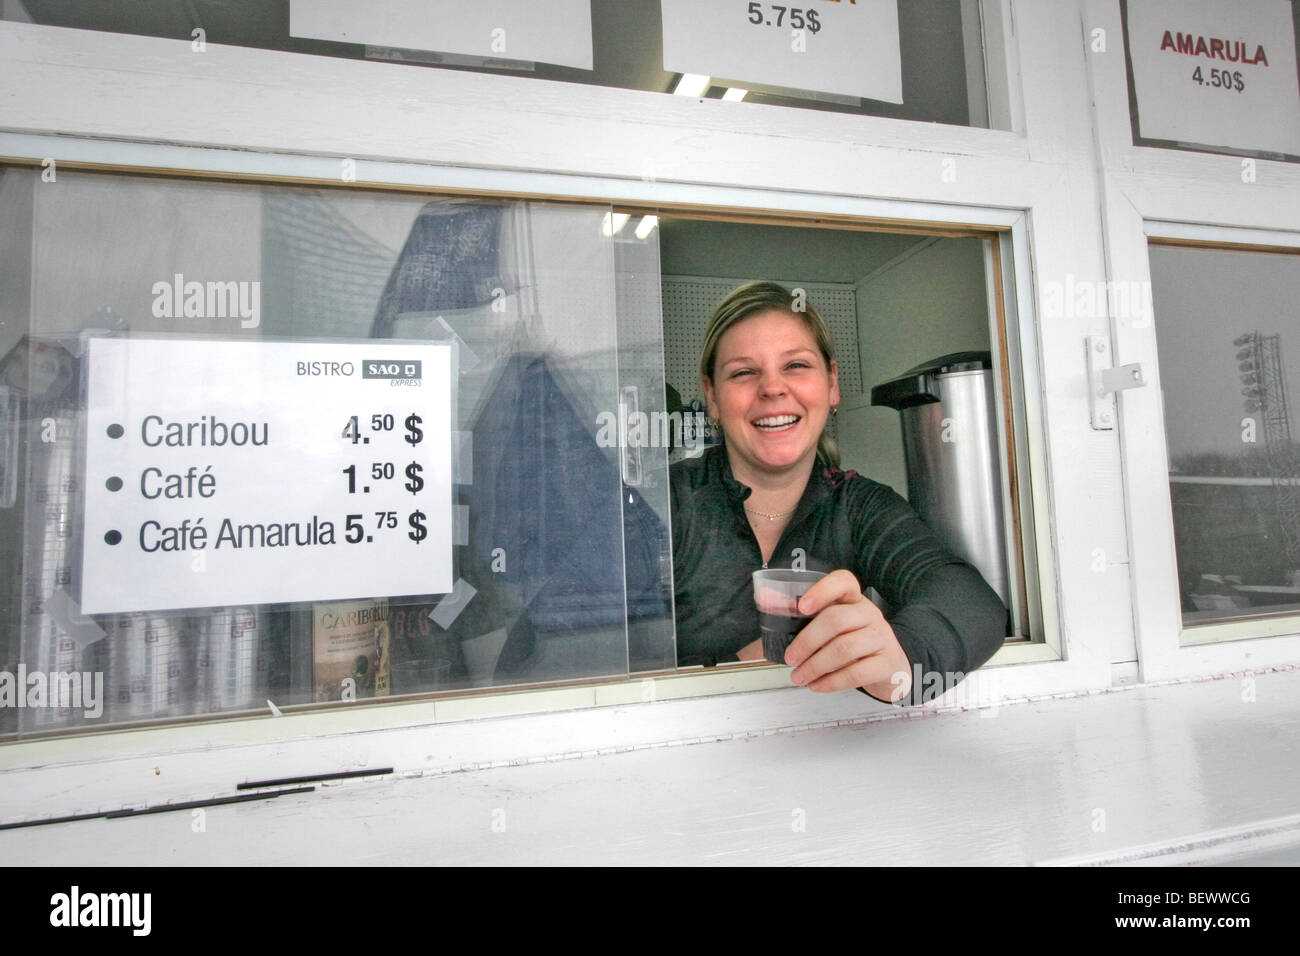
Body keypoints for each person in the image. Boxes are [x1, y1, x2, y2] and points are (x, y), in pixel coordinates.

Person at [670, 282, 1007, 704]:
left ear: (832, 385)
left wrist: (899, 659)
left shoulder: (860, 506)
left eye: (795, 366)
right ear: (712, 398)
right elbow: (588, 644)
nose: (773, 388)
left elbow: (971, 602)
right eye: (743, 372)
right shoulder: (667, 502)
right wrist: (728, 669)